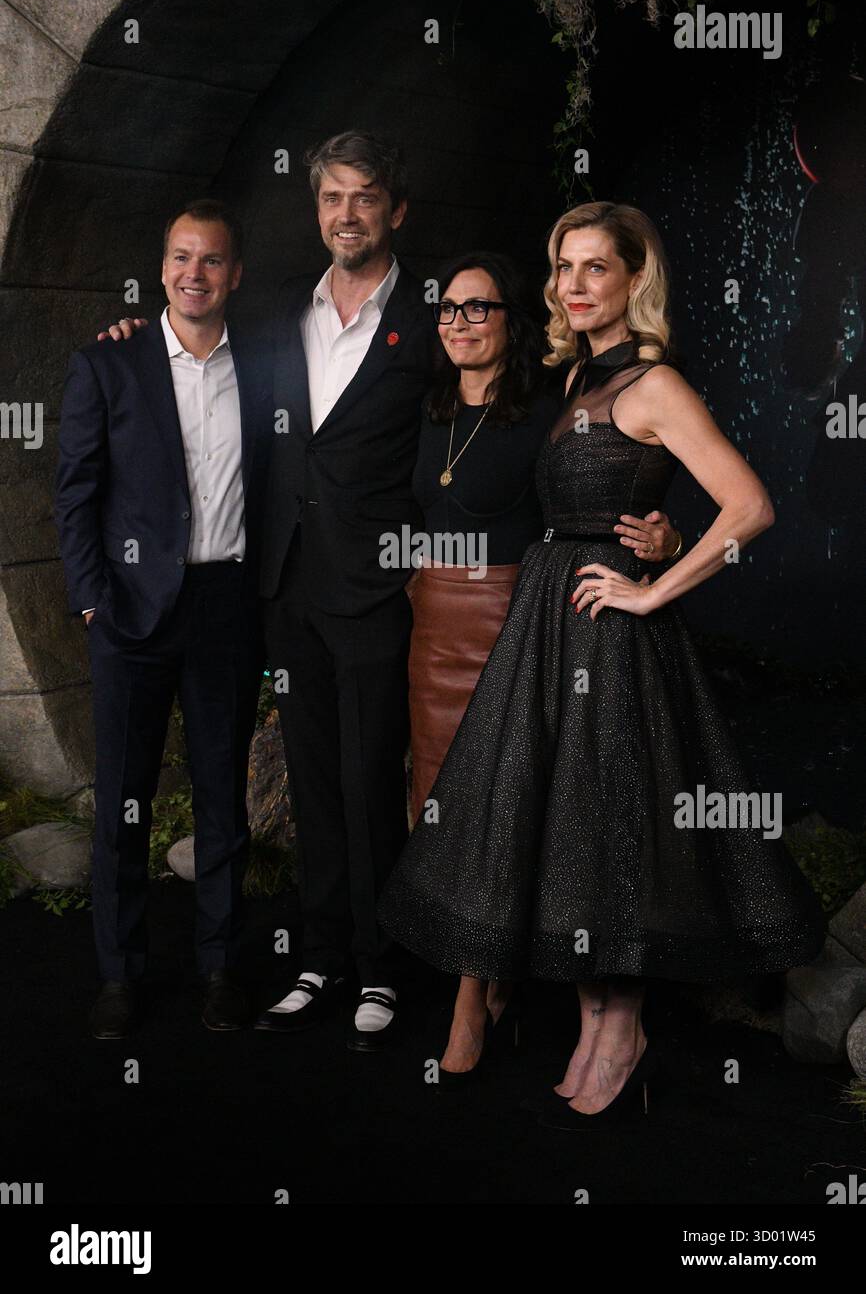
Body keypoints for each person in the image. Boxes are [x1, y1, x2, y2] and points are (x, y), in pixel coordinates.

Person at [378, 201, 826, 1122]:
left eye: (593, 269)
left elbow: (749, 506)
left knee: (614, 817)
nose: (573, 286)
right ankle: (593, 1023)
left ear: (633, 280)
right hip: (552, 617)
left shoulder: (652, 382)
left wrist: (657, 581)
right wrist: (654, 537)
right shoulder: (575, 374)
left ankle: (622, 1026)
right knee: (574, 818)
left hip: (611, 628)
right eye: (563, 268)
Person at [408, 250, 679, 1078]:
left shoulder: (547, 405)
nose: (460, 322)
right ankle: (483, 986)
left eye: (478, 308)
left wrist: (663, 537)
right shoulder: (428, 406)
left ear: (510, 320)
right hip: (435, 624)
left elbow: (599, 491)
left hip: (521, 620)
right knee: (442, 802)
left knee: (512, 799)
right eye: (448, 310)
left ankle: (495, 1004)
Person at [56, 199, 273, 1039]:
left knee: (223, 797)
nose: (194, 274)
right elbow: (74, 493)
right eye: (181, 258)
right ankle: (120, 974)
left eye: (211, 260)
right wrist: (88, 597)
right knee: (123, 801)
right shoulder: (108, 363)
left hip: (225, 608)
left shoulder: (267, 369)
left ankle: (220, 967)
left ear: (235, 275)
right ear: (162, 269)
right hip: (130, 611)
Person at [254, 132, 436, 1050]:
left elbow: (466, 441)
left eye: (365, 196)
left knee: (372, 780)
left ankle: (381, 967)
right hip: (289, 585)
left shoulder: (435, 319)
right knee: (315, 780)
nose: (347, 213)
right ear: (316, 208)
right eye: (332, 197)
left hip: (373, 588)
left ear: (393, 211)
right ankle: (319, 955)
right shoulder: (286, 312)